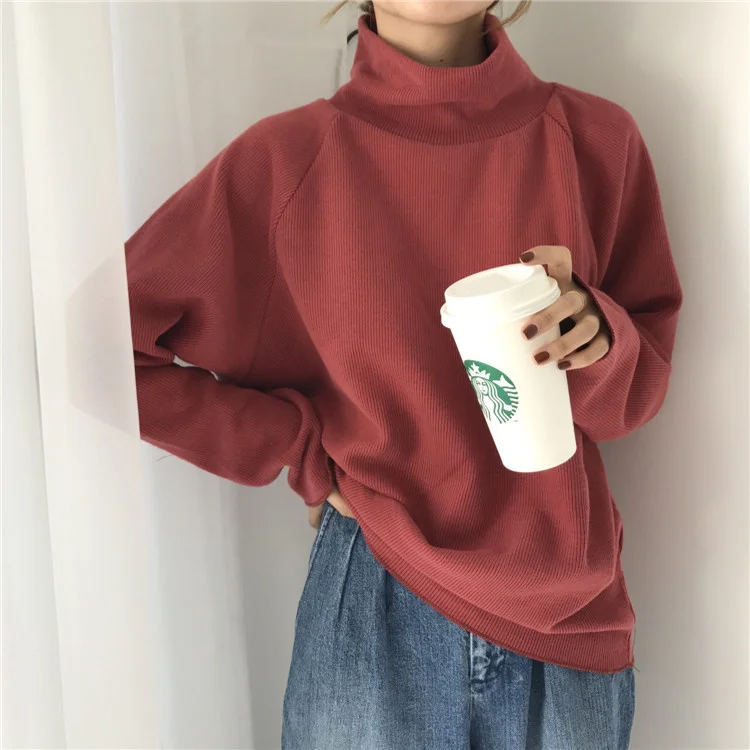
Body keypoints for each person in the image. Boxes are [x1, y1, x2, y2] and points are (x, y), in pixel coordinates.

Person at [125, 0, 682, 747]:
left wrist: (595, 336)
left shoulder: (596, 141)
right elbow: (104, 347)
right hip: (377, 593)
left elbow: (635, 394)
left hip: (570, 614)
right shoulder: (286, 161)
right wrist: (298, 446)